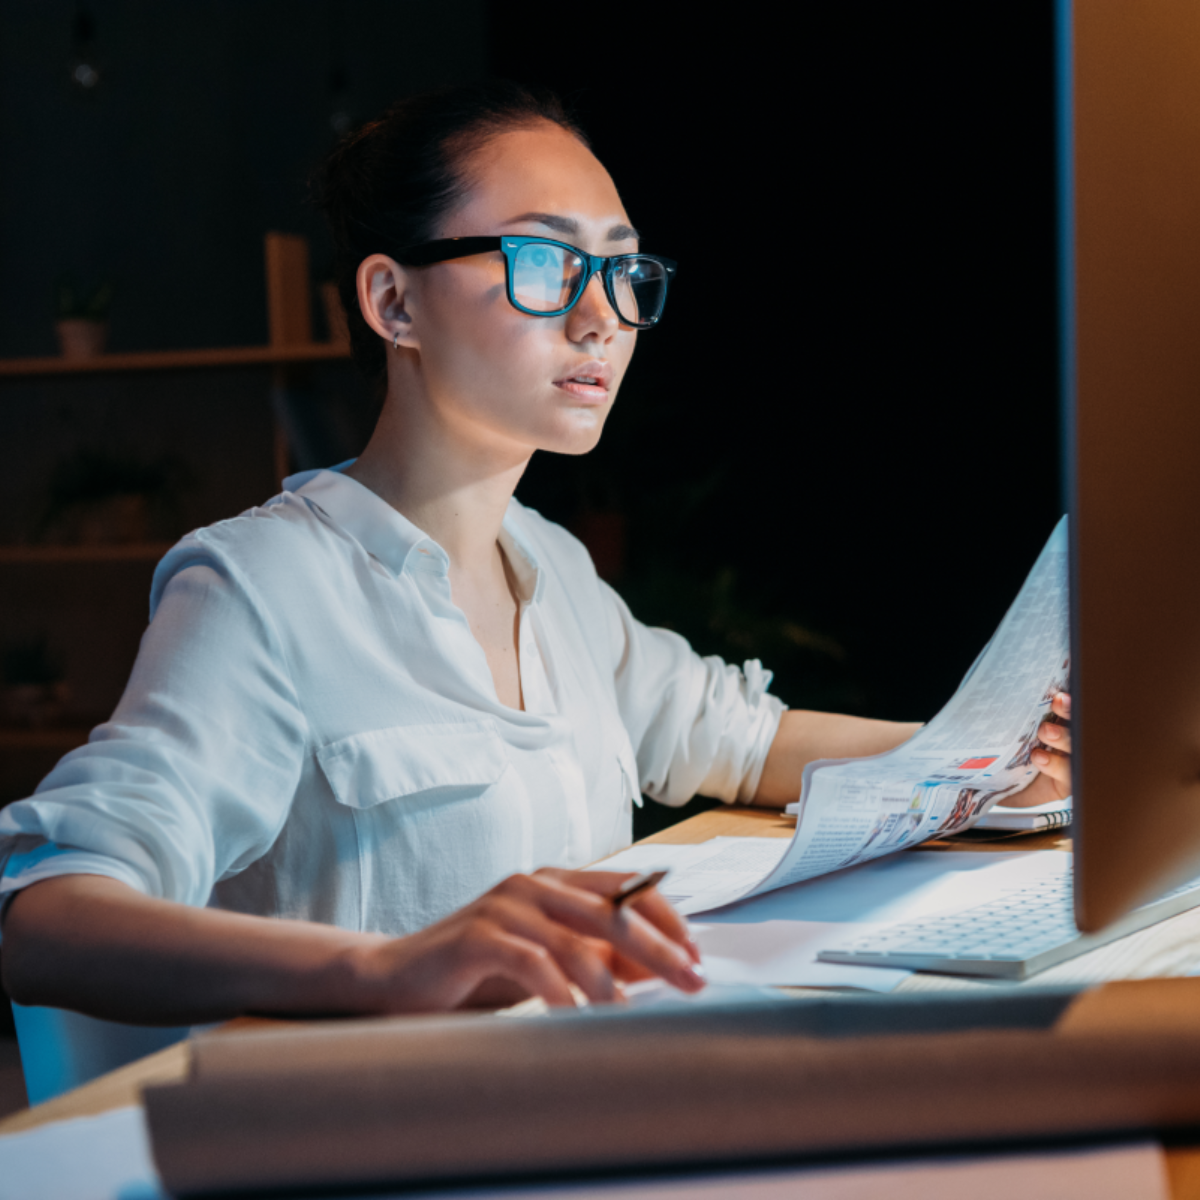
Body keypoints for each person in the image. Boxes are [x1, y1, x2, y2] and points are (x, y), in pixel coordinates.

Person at [0, 83, 1072, 1025]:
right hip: (383, 1130)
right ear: (394, 301)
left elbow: (737, 740)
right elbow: (45, 919)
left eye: (620, 269)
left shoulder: (548, 566)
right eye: (547, 262)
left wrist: (994, 756)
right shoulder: (263, 588)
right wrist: (389, 969)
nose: (604, 316)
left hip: (566, 1087)